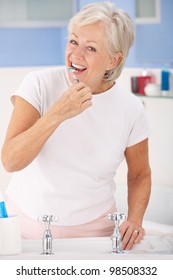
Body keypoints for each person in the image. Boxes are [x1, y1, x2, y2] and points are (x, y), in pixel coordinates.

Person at [1, 1, 151, 250]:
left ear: (113, 60)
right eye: (73, 41)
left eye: (91, 48)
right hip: (25, 230)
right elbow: (10, 161)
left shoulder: (131, 108)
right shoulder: (38, 84)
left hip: (97, 234)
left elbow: (139, 174)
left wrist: (135, 219)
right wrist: (57, 114)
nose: (76, 55)